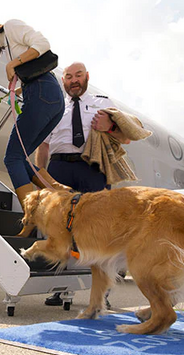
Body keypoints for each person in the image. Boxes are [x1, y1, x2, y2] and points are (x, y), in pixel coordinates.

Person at [35, 62, 130, 307]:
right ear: (63, 80)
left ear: (87, 77)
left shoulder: (103, 102)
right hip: (59, 168)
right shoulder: (54, 107)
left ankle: (101, 293)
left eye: (78, 75)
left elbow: (126, 137)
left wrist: (108, 127)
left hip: (92, 169)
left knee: (99, 231)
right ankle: (58, 288)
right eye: (68, 77)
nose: (73, 80)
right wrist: (42, 178)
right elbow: (43, 145)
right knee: (58, 229)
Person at [0, 20, 67, 216]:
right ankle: (62, 193)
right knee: (21, 159)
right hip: (50, 96)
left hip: (42, 93)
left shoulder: (11, 27)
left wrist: (14, 64)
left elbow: (42, 44)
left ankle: (31, 215)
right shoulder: (8, 47)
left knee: (12, 158)